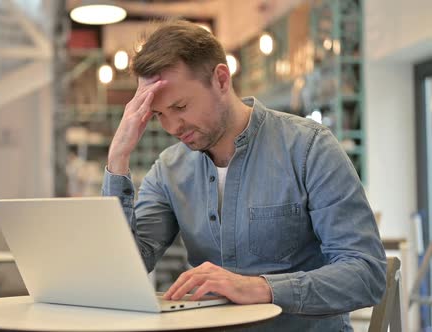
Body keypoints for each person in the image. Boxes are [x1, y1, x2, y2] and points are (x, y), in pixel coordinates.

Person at [102, 19, 386, 331]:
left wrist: (259, 288)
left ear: (221, 79)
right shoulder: (169, 169)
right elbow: (123, 272)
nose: (172, 127)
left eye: (180, 106)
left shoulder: (308, 148)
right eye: (158, 116)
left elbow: (366, 274)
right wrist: (118, 157)